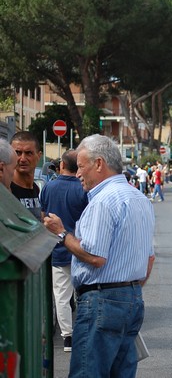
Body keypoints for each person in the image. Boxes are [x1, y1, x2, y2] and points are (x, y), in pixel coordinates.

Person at [43, 134, 155, 378]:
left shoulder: (103, 201)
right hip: (132, 298)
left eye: (82, 166)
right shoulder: (139, 198)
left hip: (102, 299)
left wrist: (61, 233)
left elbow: (95, 257)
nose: (78, 173)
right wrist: (128, 290)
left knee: (87, 373)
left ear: (99, 164)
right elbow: (149, 259)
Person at [39, 150, 88, 353]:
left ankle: (67, 337)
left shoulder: (48, 187)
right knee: (85, 294)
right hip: (81, 248)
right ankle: (85, 333)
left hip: (58, 248)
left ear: (61, 166)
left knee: (61, 295)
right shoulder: (85, 188)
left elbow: (43, 216)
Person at [10, 131, 43, 221]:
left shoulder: (36, 188)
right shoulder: (6, 189)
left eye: (28, 153)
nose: (23, 159)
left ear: (39, 156)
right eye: (18, 153)